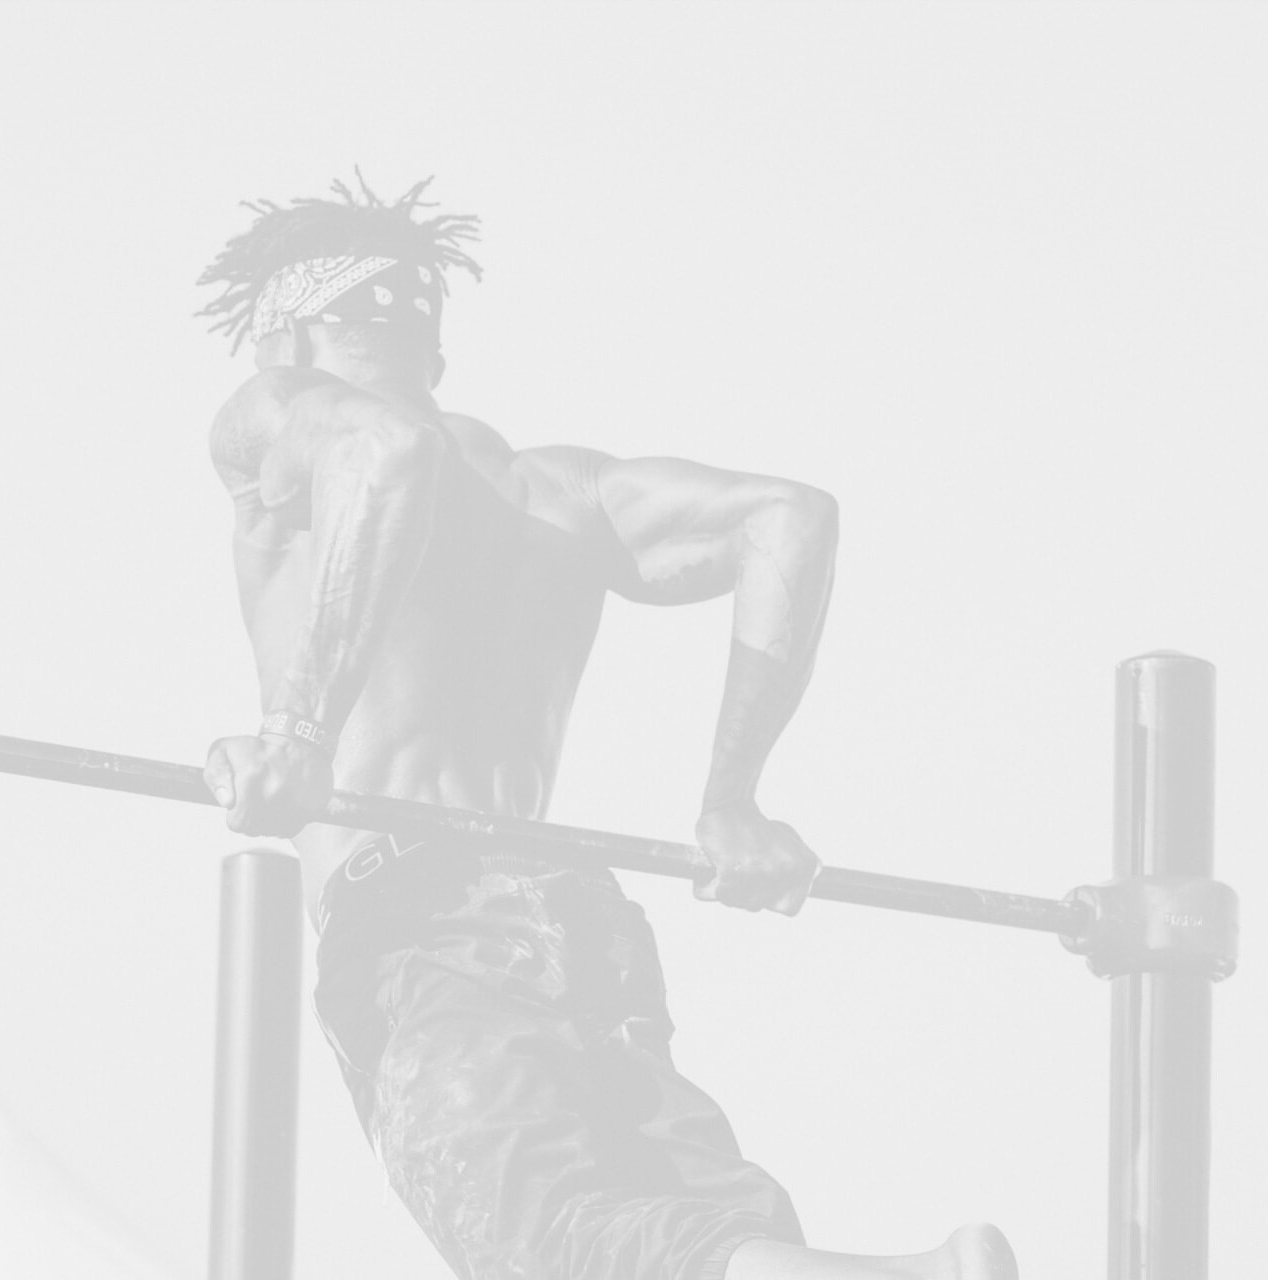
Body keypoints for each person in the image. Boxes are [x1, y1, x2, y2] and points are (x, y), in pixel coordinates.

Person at [197, 174, 1017, 1280]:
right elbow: (784, 518)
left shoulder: (279, 411)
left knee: (547, 1243)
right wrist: (732, 798)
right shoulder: (557, 492)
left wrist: (298, 730)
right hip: (574, 911)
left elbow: (385, 454)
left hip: (416, 916)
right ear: (431, 352)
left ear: (286, 339)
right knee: (683, 1227)